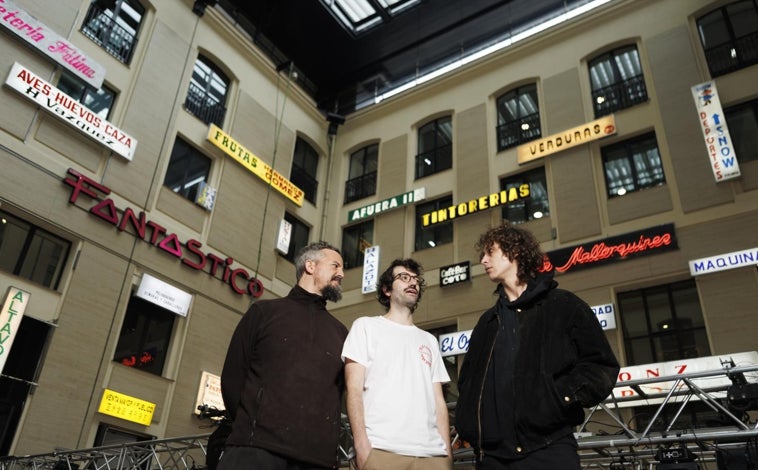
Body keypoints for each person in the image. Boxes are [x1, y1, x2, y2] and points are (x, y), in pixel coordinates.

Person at [455, 222, 619, 470]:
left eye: (490, 252)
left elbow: (599, 365)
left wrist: (561, 397)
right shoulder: (486, 323)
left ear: (515, 251)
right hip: (492, 457)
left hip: (548, 449)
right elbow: (467, 382)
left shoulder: (564, 306)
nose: (483, 261)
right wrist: (468, 424)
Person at [218, 241, 349, 470]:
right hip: (254, 452)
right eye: (335, 266)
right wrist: (254, 426)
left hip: (318, 460)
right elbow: (233, 378)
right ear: (310, 265)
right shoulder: (263, 313)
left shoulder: (341, 333)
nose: (342, 274)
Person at [342, 258, 453, 470]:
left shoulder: (429, 340)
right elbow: (353, 389)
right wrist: (362, 445)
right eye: (403, 277)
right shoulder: (365, 327)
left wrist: (446, 452)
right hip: (381, 450)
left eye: (415, 279)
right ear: (386, 290)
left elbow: (439, 401)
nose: (412, 282)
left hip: (433, 456)